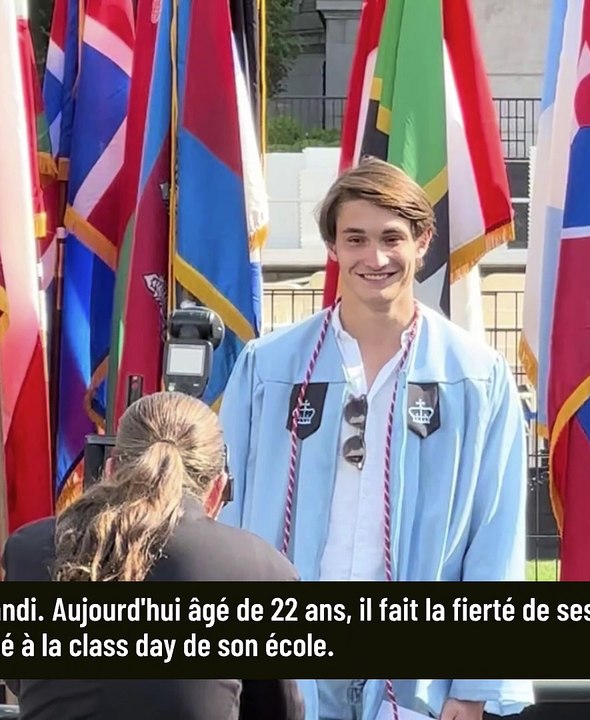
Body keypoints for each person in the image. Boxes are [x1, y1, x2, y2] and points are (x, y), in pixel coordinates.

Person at [217, 158, 533, 720]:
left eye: (392, 238)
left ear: (423, 241)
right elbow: (229, 516)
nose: (375, 257)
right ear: (333, 249)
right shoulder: (270, 369)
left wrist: (474, 684)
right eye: (355, 238)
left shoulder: (475, 376)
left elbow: (495, 536)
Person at [2, 391, 304, 720]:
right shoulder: (259, 570)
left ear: (112, 467)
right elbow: (276, 711)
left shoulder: (29, 549)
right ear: (217, 490)